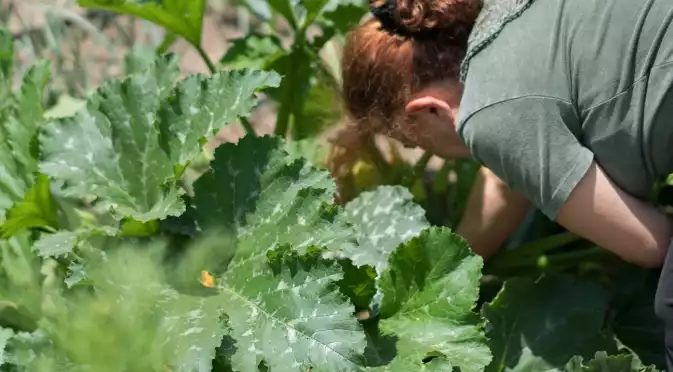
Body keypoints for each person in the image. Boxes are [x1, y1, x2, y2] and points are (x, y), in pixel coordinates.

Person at [338, 0, 673, 367]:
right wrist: (446, 273)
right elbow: (504, 184)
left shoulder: (488, 116)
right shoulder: (508, 20)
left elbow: (649, 243)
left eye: (412, 143)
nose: (421, 151)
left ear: (429, 109)